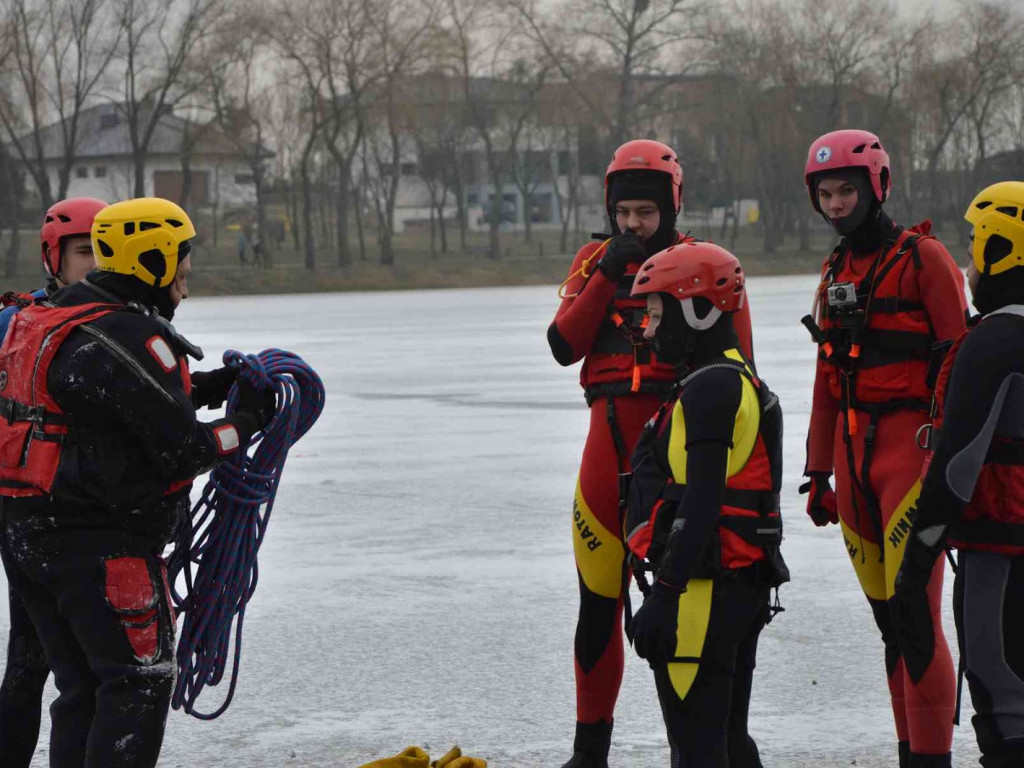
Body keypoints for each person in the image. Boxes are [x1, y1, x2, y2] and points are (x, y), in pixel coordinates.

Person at [0, 197, 276, 767]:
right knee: (136, 684)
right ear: (152, 262)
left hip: (31, 538)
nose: (186, 281)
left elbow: (110, 404)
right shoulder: (123, 333)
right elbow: (185, 450)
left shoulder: (53, 317)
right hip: (100, 546)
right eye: (181, 266)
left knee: (82, 689)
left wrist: (207, 388)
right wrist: (249, 421)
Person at [547, 138, 754, 768]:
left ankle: (715, 744)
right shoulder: (594, 262)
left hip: (673, 468)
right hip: (603, 462)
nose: (633, 224)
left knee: (695, 608)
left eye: (645, 213)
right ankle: (590, 751)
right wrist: (611, 268)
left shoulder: (705, 265)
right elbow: (563, 345)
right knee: (596, 609)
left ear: (672, 205)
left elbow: (741, 373)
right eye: (624, 213)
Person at [800, 129, 965, 767]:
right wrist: (817, 473)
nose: (836, 205)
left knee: (916, 620)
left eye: (846, 191)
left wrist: (950, 465)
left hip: (911, 456)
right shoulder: (835, 270)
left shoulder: (925, 258)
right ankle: (910, 754)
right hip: (851, 462)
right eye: (826, 194)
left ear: (877, 187)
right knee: (890, 625)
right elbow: (824, 382)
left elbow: (960, 366)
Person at [626, 241, 787, 767]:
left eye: (654, 314)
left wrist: (665, 597)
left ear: (697, 310)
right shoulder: (733, 375)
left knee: (695, 750)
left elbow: (701, 503)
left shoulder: (711, 389)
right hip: (736, 589)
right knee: (731, 745)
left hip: (703, 593)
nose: (647, 331)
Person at [894, 181, 1024, 768]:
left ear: (1004, 250)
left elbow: (957, 467)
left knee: (1005, 707)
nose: (969, 261)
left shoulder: (995, 340)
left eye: (976, 246)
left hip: (1001, 560)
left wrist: (915, 567)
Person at [0, 196, 106, 768]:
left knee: (85, 666)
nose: (96, 261)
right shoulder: (17, 322)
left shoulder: (129, 322)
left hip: (88, 520)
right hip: (29, 514)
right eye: (85, 251)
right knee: (31, 655)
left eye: (105, 250)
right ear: (53, 256)